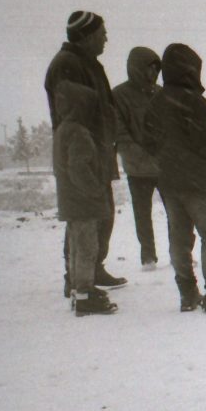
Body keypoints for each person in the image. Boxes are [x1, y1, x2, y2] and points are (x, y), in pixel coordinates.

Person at [142, 43, 206, 313]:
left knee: (179, 237)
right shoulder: (195, 102)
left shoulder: (156, 101)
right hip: (199, 180)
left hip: (168, 180)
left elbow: (148, 140)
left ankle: (187, 294)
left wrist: (167, 160)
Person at [44, 10, 128, 297]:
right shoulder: (67, 64)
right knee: (83, 218)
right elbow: (75, 110)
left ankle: (92, 268)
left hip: (97, 150)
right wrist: (87, 146)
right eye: (102, 33)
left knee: (100, 214)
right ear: (86, 36)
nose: (106, 38)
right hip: (83, 153)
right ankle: (77, 277)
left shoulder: (89, 63)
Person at [52, 81, 118, 316]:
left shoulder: (63, 129)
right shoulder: (79, 132)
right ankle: (85, 295)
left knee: (75, 248)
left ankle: (77, 293)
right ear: (80, 106)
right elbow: (79, 168)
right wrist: (96, 190)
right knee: (87, 249)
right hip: (83, 203)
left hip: (70, 201)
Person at [112, 47, 164, 270]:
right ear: (136, 68)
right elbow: (120, 133)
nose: (152, 73)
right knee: (142, 214)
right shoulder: (119, 95)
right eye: (148, 68)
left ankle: (180, 252)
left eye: (156, 69)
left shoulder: (162, 93)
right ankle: (148, 256)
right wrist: (142, 156)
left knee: (177, 212)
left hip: (164, 166)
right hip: (138, 168)